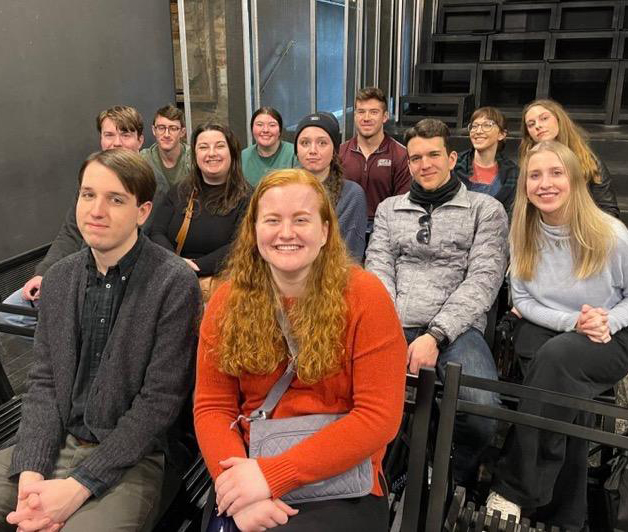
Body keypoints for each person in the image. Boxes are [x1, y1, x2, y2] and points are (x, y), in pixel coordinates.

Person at [0, 149, 201, 532]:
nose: (96, 210)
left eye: (115, 199)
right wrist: (30, 471)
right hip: (52, 442)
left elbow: (158, 405)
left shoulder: (173, 283)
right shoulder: (60, 278)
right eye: (87, 195)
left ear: (142, 212)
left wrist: (79, 486)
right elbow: (43, 384)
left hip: (133, 460)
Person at [193, 169, 406, 532]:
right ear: (254, 230)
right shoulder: (227, 301)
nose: (286, 233)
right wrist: (235, 488)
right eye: (272, 220)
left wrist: (271, 476)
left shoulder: (366, 297)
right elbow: (213, 407)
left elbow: (377, 418)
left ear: (324, 231)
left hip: (340, 477)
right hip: (247, 468)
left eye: (301, 220)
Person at [486, 140, 628, 531]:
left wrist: (605, 321)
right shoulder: (523, 232)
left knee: (557, 362)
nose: (545, 183)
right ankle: (567, 515)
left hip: (607, 339)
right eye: (535, 175)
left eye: (556, 173)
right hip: (550, 328)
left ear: (575, 180)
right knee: (565, 395)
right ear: (525, 184)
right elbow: (523, 299)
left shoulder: (611, 233)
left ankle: (515, 489)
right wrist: (571, 323)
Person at [365, 118, 508, 489]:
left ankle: (448, 477)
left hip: (456, 330)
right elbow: (378, 267)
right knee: (364, 397)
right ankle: (379, 474)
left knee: (482, 410)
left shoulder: (486, 210)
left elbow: (483, 280)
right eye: (415, 158)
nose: (424, 164)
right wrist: (387, 327)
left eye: (433, 155)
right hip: (393, 321)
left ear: (451, 158)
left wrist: (436, 335)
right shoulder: (389, 209)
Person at [0, 105, 151, 327]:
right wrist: (44, 273)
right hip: (81, 272)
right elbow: (71, 232)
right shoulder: (92, 180)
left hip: (122, 281)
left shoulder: (151, 185)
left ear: (140, 140)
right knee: (11, 314)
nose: (116, 142)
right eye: (109, 135)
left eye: (125, 134)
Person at [150, 123, 251, 296]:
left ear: (232, 152)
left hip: (223, 288)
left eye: (219, 146)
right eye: (203, 147)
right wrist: (177, 264)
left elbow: (241, 245)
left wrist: (196, 266)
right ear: (195, 154)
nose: (211, 153)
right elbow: (156, 232)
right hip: (174, 282)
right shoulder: (179, 191)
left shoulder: (248, 197)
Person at [520, 99, 619, 218]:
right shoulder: (528, 163)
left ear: (559, 120)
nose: (538, 126)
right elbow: (523, 208)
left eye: (544, 118)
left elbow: (609, 210)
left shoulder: (589, 160)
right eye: (531, 124)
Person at [294, 111, 367, 261]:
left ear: (334, 150)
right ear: (296, 150)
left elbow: (350, 256)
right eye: (305, 143)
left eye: (322, 143)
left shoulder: (352, 195)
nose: (312, 150)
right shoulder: (283, 192)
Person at [338, 87, 410, 236]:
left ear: (385, 117)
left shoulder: (401, 155)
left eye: (373, 112)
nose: (366, 118)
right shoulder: (340, 152)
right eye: (361, 111)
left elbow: (403, 204)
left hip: (385, 229)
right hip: (345, 227)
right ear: (355, 115)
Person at [454, 106, 519, 218]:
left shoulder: (512, 173)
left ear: (502, 134)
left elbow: (510, 214)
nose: (478, 131)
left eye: (487, 125)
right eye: (474, 126)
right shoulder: (454, 164)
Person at [140, 103, 192, 198]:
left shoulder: (194, 158)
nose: (167, 134)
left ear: (182, 132)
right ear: (153, 130)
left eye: (173, 128)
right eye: (161, 128)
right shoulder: (143, 160)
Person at [241, 106, 297, 187]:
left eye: (272, 125)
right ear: (252, 129)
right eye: (259, 125)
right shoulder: (243, 156)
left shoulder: (294, 153)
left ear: (280, 130)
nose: (265, 130)